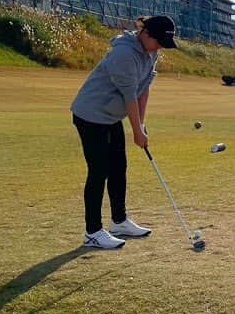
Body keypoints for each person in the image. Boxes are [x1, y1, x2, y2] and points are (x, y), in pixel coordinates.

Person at [70, 15, 178, 249]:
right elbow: (129, 95)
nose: (159, 47)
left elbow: (143, 89)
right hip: (91, 114)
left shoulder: (151, 52)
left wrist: (141, 124)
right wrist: (136, 131)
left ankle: (118, 221)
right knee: (99, 170)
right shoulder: (123, 54)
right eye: (158, 41)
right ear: (145, 33)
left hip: (111, 116)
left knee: (119, 167)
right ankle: (92, 232)